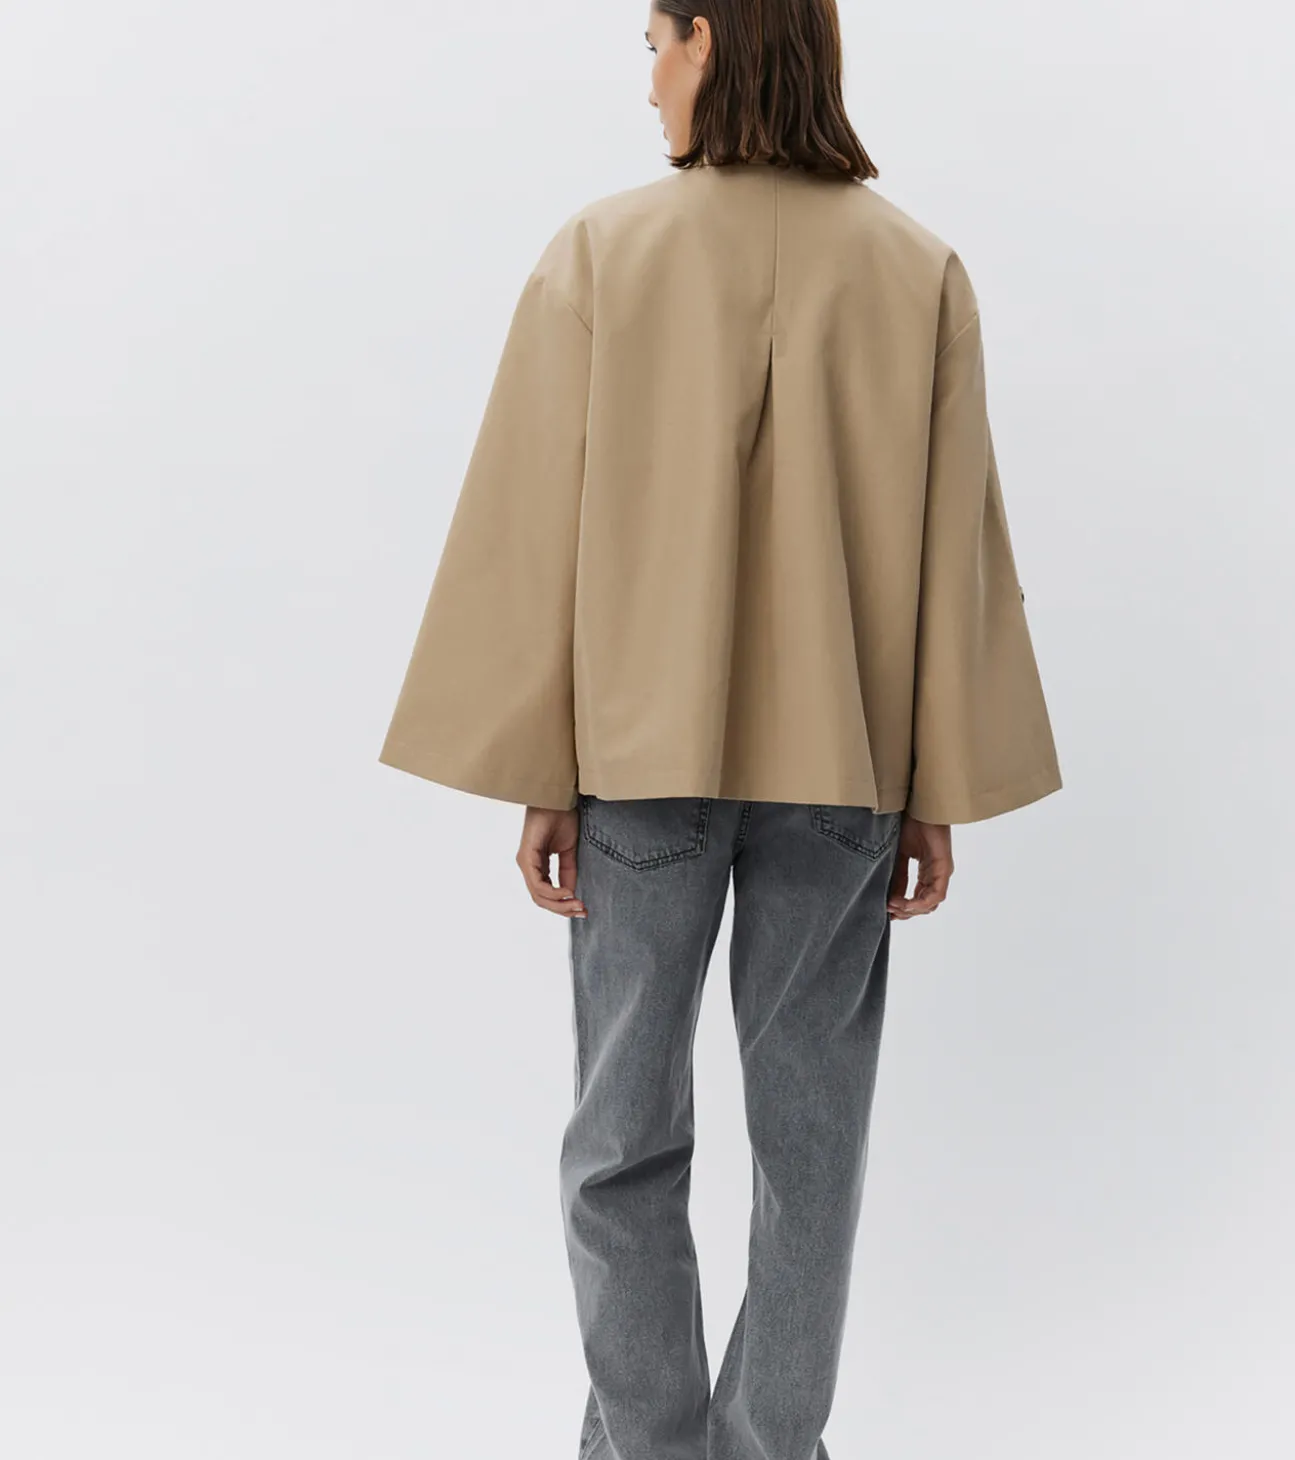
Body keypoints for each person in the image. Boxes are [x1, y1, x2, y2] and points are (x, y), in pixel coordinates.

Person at [377, 2, 1061, 1455]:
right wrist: (935, 784)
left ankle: (644, 1449)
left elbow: (531, 528)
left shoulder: (601, 254)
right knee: (811, 1149)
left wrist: (542, 769)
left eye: (654, 45)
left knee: (621, 1136)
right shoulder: (918, 270)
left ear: (710, 40)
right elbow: (955, 546)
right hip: (845, 772)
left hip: (642, 764)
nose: (647, 84)